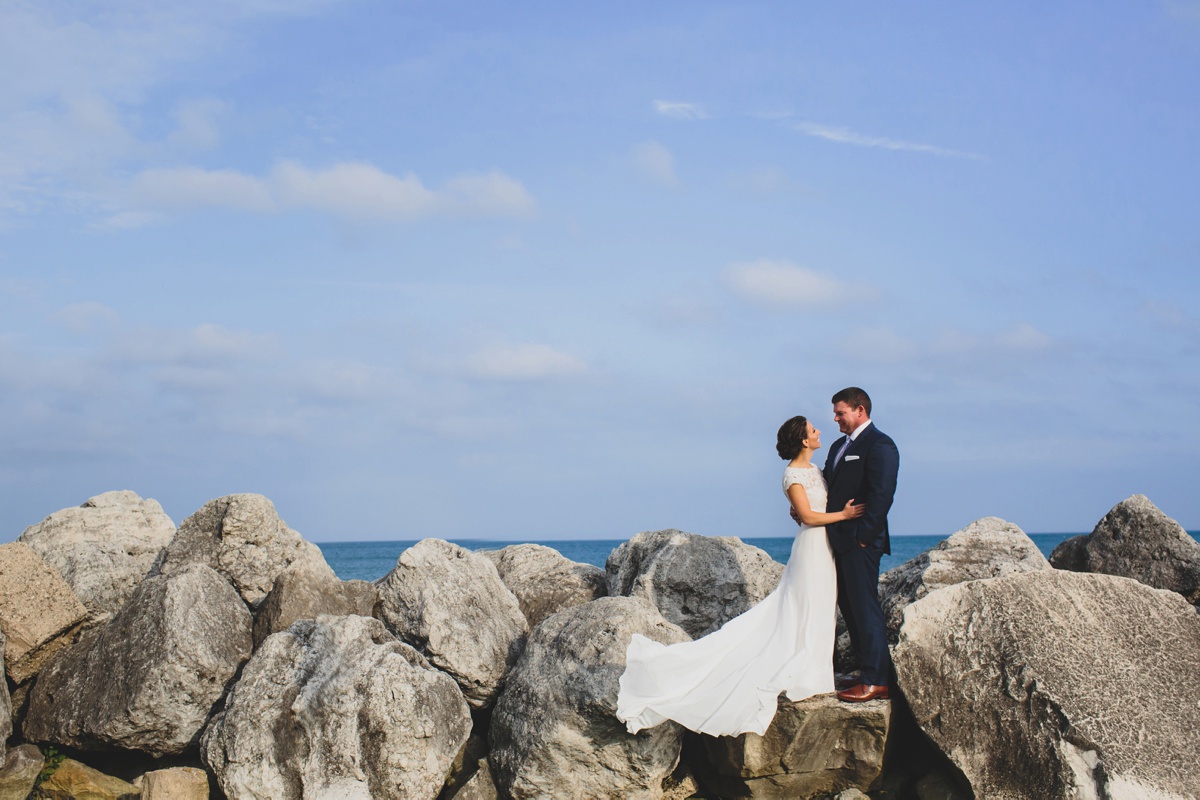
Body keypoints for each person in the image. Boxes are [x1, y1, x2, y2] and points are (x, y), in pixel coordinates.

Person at [614, 415, 863, 737]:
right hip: (811, 546)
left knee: (820, 607)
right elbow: (806, 515)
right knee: (805, 604)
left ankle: (816, 672)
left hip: (825, 545)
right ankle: (804, 674)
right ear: (803, 440)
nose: (819, 433)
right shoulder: (792, 474)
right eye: (813, 430)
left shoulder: (816, 470)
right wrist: (843, 515)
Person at [821, 387, 899, 703]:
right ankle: (866, 671)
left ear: (860, 411)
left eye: (841, 413)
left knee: (865, 608)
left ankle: (876, 680)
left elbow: (882, 494)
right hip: (837, 539)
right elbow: (829, 485)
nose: (836, 418)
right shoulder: (840, 446)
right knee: (850, 609)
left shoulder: (880, 445)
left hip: (861, 541)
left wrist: (864, 536)